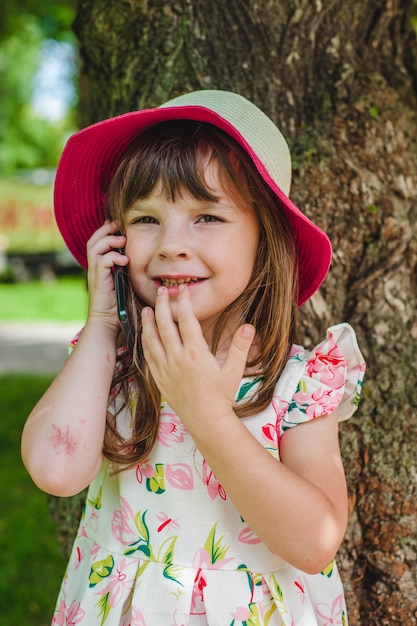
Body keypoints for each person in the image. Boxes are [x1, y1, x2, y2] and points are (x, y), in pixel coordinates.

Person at [22, 90, 366, 625]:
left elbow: (314, 541)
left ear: (264, 238)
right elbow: (55, 469)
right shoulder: (112, 366)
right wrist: (101, 325)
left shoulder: (295, 382)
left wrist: (206, 415)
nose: (170, 245)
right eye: (144, 219)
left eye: (206, 217)